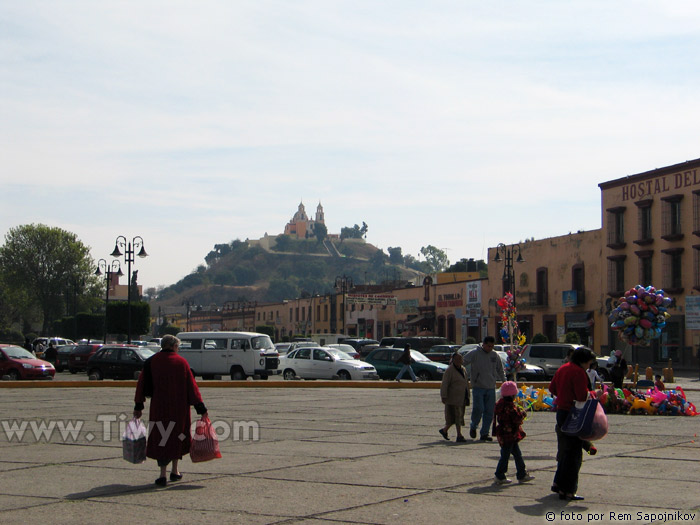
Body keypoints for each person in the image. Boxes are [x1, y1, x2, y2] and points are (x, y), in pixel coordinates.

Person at [133, 334, 208, 487]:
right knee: (177, 437)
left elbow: (141, 385)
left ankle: (162, 474)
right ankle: (175, 470)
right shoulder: (182, 363)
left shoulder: (151, 362)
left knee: (162, 438)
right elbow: (192, 387)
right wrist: (201, 408)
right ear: (174, 346)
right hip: (179, 409)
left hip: (159, 407)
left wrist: (138, 406)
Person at [549, 346, 596, 501]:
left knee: (565, 450)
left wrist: (563, 395)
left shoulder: (563, 368)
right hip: (573, 413)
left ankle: (559, 486)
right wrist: (596, 394)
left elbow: (552, 388)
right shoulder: (578, 372)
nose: (589, 366)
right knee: (574, 454)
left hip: (561, 412)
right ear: (583, 361)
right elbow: (582, 396)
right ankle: (569, 490)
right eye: (589, 363)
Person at [462, 336, 505, 441]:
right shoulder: (475, 353)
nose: (490, 348)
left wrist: (504, 381)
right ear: (484, 344)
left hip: (490, 387)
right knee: (478, 408)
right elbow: (462, 362)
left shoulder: (494, 355)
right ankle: (473, 426)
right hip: (478, 386)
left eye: (492, 346)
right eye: (488, 346)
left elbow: (500, 369)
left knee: (489, 411)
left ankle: (484, 433)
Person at [493, 381, 534, 485]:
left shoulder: (500, 404)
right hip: (509, 435)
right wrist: (523, 413)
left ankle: (522, 474)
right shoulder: (510, 407)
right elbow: (516, 419)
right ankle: (499, 475)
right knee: (506, 455)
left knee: (516, 454)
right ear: (512, 395)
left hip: (504, 433)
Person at [439, 352, 469, 442]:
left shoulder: (463, 369)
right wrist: (443, 396)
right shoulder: (450, 370)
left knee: (457, 417)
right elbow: (444, 384)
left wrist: (468, 395)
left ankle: (444, 430)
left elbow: (466, 383)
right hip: (453, 398)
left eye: (461, 359)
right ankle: (459, 435)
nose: (459, 361)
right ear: (453, 360)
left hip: (462, 397)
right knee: (456, 417)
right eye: (457, 359)